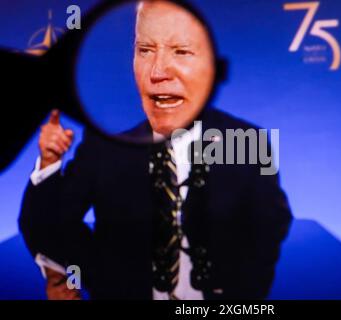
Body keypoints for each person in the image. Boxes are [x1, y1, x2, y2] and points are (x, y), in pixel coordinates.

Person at [19, 0, 292, 300]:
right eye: (145, 50)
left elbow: (274, 225)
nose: (158, 71)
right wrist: (48, 161)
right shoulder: (104, 146)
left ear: (212, 69)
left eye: (181, 51)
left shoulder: (249, 141)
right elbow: (46, 225)